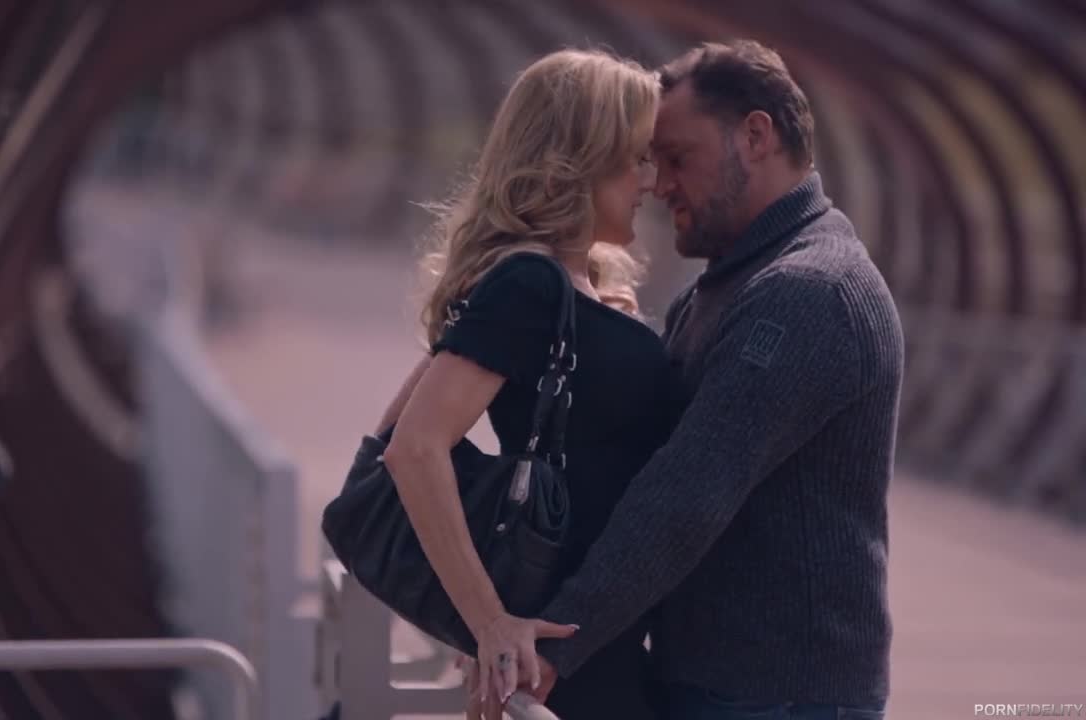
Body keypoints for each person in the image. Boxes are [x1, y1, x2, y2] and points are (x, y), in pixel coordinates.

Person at [494, 40, 903, 719]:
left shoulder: (809, 292)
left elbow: (688, 491)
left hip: (779, 698)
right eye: (651, 161)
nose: (658, 184)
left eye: (678, 157)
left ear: (756, 136)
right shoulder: (724, 288)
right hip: (724, 686)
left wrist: (556, 640)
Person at [373, 49, 689, 718]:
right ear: (582, 158)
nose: (651, 180)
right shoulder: (528, 282)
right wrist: (488, 621)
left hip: (599, 638)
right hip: (568, 654)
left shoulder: (567, 288)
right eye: (636, 158)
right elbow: (412, 446)